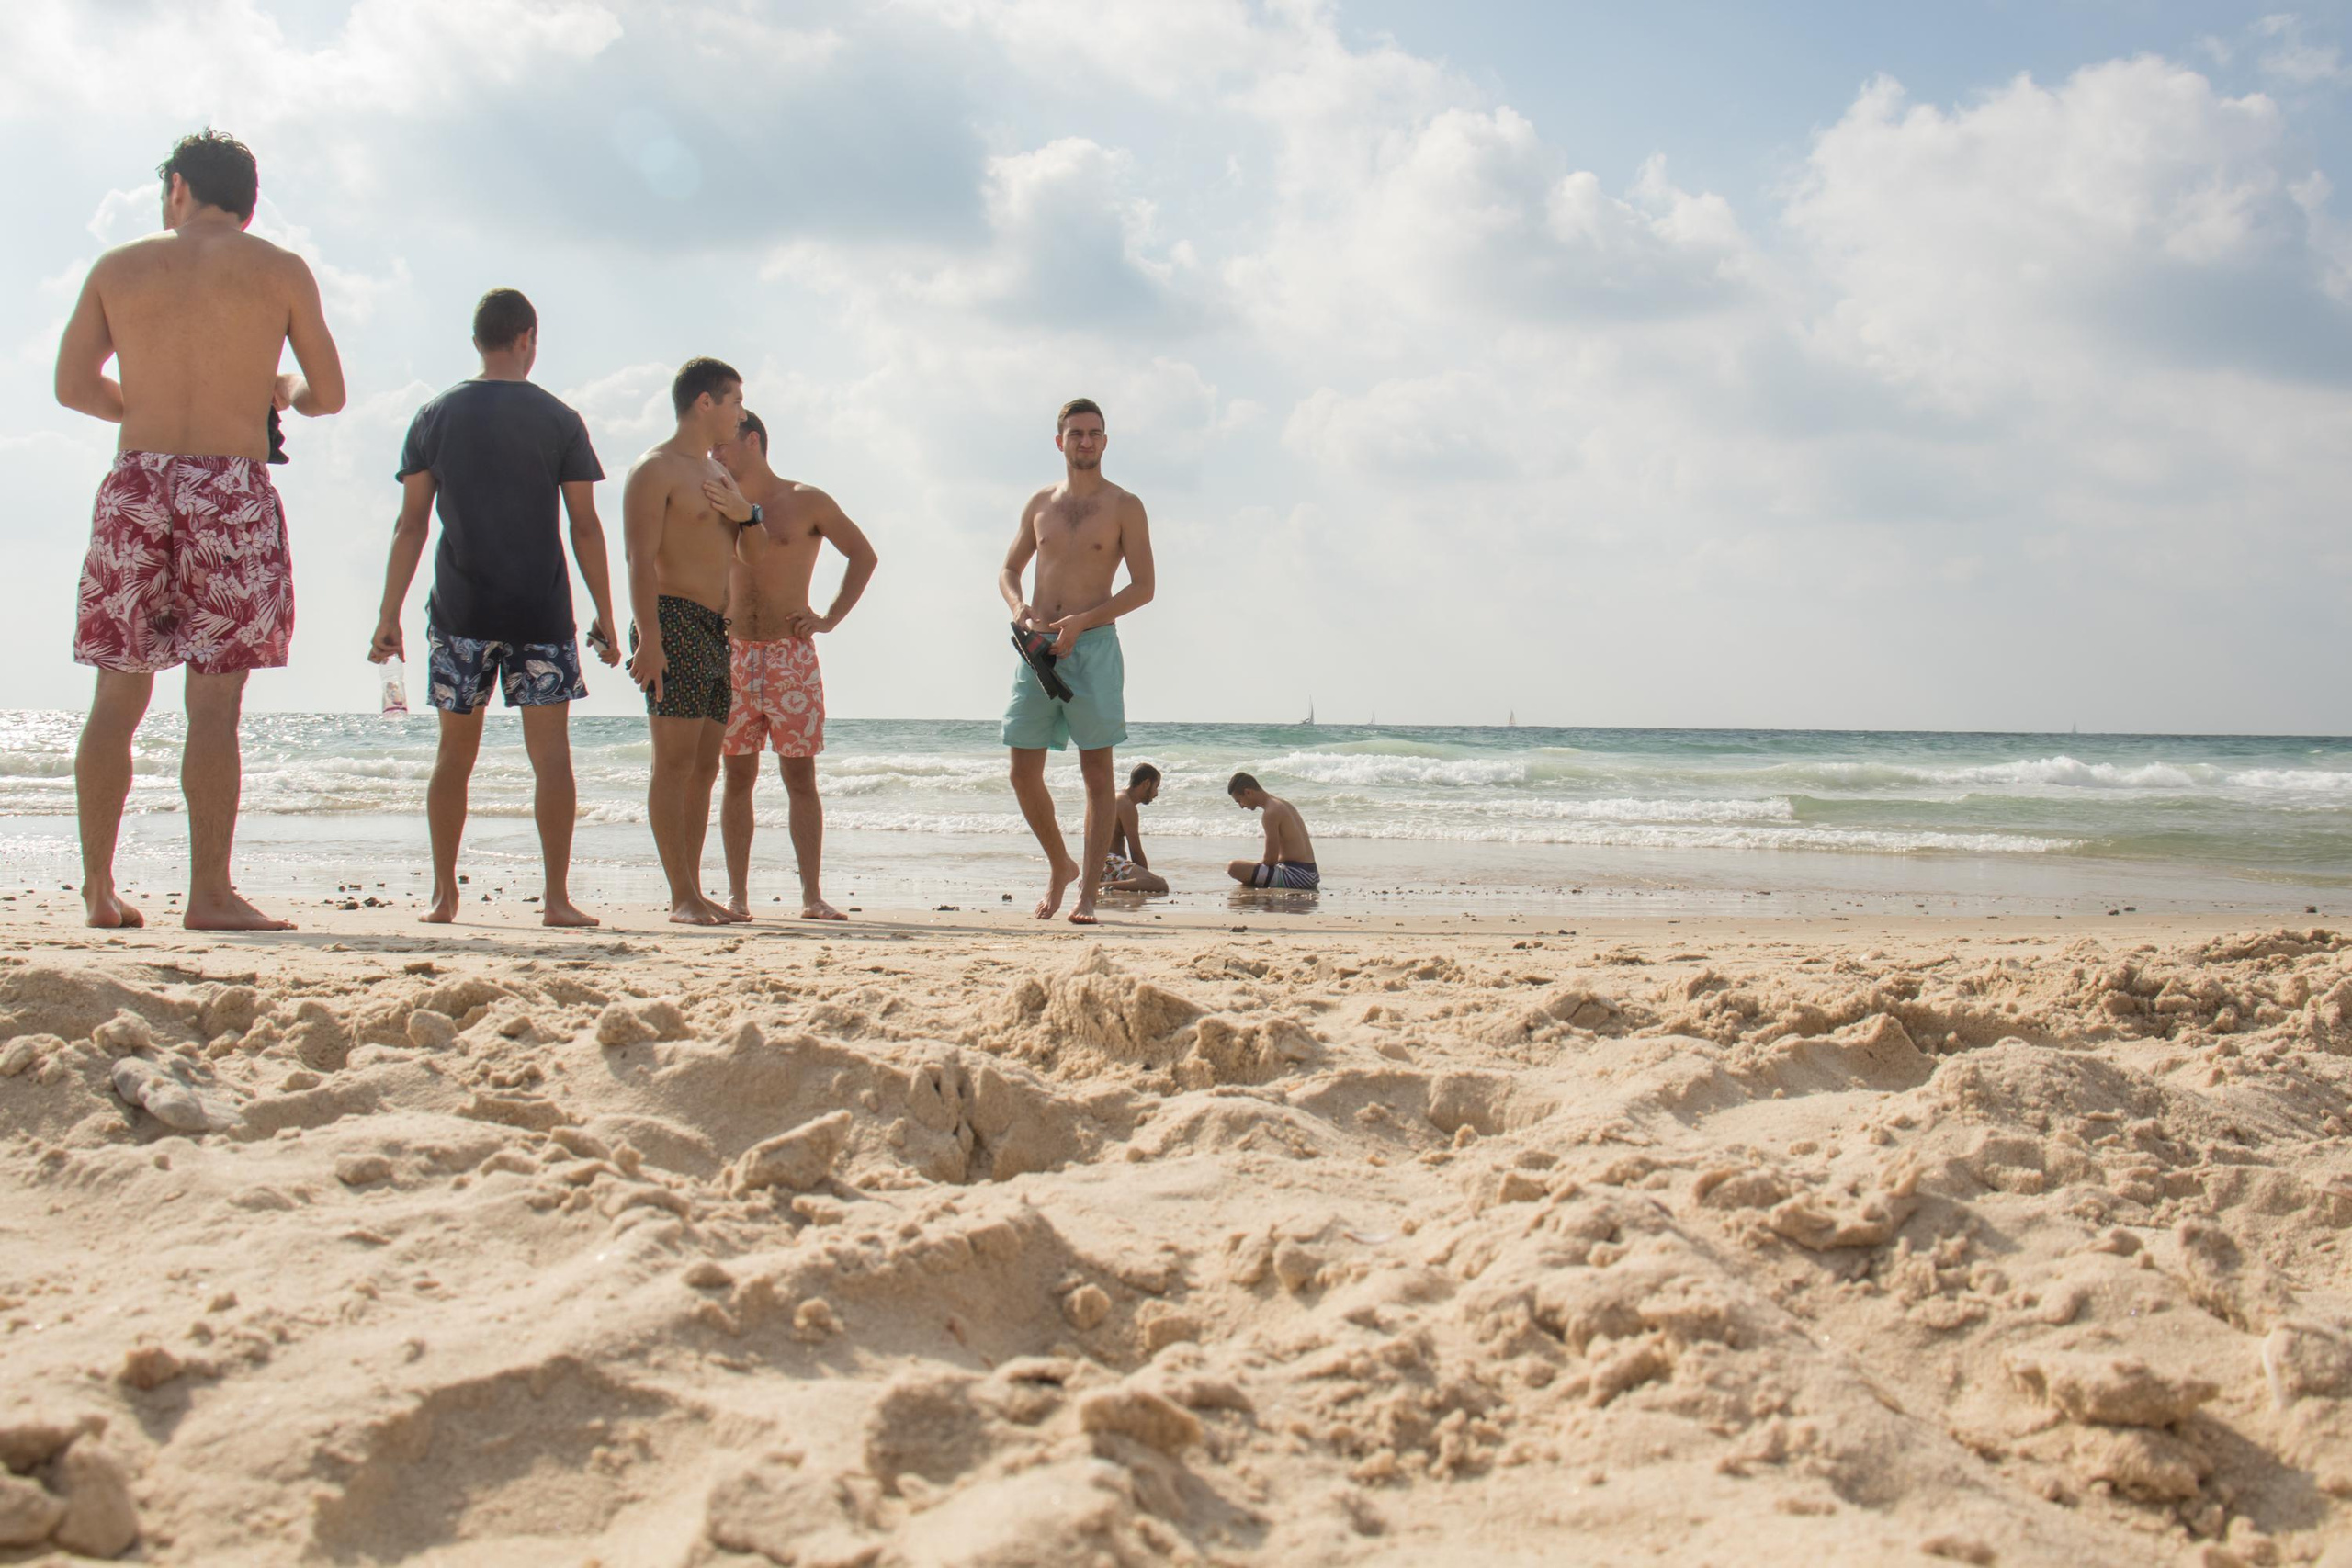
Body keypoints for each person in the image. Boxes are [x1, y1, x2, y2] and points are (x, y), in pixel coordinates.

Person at [55, 129, 345, 931]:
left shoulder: (119, 269)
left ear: (178, 188)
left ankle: (99, 889)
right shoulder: (280, 271)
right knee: (215, 704)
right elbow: (329, 393)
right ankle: (209, 893)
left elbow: (72, 385)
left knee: (117, 692)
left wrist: (141, 408)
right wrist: (277, 388)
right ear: (247, 203)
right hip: (230, 486)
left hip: (138, 481)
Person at [368, 288, 621, 928]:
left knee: (453, 756)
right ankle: (557, 899)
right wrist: (606, 613)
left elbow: (411, 525)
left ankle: (444, 896)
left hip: (461, 610)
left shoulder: (434, 415)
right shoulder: (560, 418)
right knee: (552, 757)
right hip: (539, 611)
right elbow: (585, 527)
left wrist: (388, 613)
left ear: (477, 340)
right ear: (528, 338)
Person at [706, 412, 878, 921]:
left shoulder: (807, 500)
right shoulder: (714, 499)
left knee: (800, 778)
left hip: (790, 655)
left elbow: (863, 555)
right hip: (733, 651)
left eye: (722, 446)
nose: (715, 455)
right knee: (735, 777)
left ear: (753, 440)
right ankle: (737, 896)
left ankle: (812, 896)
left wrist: (829, 617)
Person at [999, 398, 1156, 924]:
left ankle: (1088, 893)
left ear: (1105, 442)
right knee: (1023, 771)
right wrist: (1019, 607)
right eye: (1075, 434)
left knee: (1096, 774)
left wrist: (1083, 622)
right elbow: (1008, 569)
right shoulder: (1041, 502)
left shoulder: (1124, 505)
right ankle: (1059, 865)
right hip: (1037, 648)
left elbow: (1144, 587)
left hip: (1092, 649)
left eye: (1094, 433)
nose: (1084, 441)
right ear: (1059, 441)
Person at [623, 357, 757, 925]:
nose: (741, 414)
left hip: (712, 628)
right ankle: (680, 895)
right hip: (669, 619)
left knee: (706, 766)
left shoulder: (720, 475)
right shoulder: (654, 470)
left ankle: (695, 890)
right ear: (705, 402)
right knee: (673, 764)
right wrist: (648, 639)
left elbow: (750, 556)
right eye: (734, 402)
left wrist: (746, 514)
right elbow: (637, 561)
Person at [1226, 772, 1320, 891]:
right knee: (1249, 871)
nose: (1241, 806)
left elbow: (1271, 859)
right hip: (1311, 873)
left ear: (1248, 792)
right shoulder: (1283, 804)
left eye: (1239, 801)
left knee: (1233, 867)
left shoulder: (1270, 812)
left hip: (1297, 876)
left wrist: (1252, 869)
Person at [1101, 763, 1169, 894]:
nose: (1156, 793)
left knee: (1153, 882)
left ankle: (1100, 884)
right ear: (1146, 783)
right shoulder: (1126, 804)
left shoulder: (1116, 797)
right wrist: (1147, 880)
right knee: (1160, 884)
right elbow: (1135, 850)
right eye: (1156, 787)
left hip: (1101, 863)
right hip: (1109, 863)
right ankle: (1098, 886)